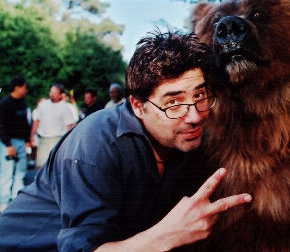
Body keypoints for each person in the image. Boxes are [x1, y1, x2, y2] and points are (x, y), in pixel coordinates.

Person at [0, 31, 252, 251]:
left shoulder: (182, 139)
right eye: (173, 103)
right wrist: (169, 235)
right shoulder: (95, 144)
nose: (195, 116)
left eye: (200, 95)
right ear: (137, 106)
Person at [0, 77, 31, 212]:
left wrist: (27, 141)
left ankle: (17, 200)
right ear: (17, 87)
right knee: (7, 172)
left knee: (20, 172)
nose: (26, 90)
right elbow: (1, 126)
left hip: (21, 143)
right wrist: (8, 145)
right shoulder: (4, 104)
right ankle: (4, 201)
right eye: (24, 87)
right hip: (9, 143)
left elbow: (25, 124)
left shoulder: (23, 104)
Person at [30, 84, 78, 168]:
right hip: (43, 139)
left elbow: (69, 126)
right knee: (40, 165)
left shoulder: (65, 107)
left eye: (55, 93)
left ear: (61, 95)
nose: (51, 94)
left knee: (54, 166)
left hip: (57, 140)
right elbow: (36, 122)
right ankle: (41, 181)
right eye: (51, 92)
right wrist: (32, 136)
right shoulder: (43, 105)